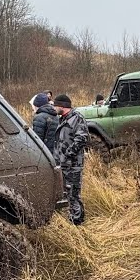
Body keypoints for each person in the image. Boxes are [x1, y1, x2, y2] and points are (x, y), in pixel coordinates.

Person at [54, 94, 89, 225]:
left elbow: (82, 139)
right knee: (68, 192)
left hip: (73, 164)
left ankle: (78, 221)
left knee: (73, 192)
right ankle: (73, 216)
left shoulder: (77, 118)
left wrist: (68, 154)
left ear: (62, 106)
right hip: (64, 163)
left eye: (55, 105)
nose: (54, 108)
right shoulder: (63, 119)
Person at [30, 92, 59, 157]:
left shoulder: (39, 117)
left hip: (44, 153)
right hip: (55, 151)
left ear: (37, 105)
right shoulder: (55, 115)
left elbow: (37, 139)